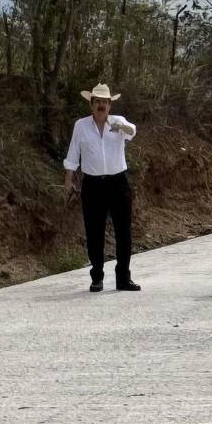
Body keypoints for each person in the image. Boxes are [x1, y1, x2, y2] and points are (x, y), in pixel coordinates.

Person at [63, 83, 140, 293]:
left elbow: (133, 131)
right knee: (94, 230)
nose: (101, 106)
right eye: (98, 102)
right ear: (91, 104)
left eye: (105, 102)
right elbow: (72, 154)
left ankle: (123, 278)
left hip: (118, 182)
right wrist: (68, 179)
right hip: (93, 184)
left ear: (110, 105)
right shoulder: (81, 126)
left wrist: (121, 128)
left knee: (123, 231)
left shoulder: (118, 121)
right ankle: (97, 277)